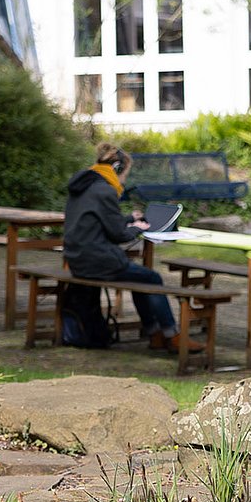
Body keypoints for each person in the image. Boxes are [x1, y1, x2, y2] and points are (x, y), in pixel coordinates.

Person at [61, 143, 198, 353]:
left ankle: (154, 333)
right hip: (96, 261)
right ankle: (172, 336)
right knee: (152, 278)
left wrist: (128, 219)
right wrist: (137, 228)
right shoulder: (105, 190)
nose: (124, 180)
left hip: (76, 258)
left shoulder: (85, 184)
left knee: (139, 277)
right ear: (116, 168)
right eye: (125, 174)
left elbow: (98, 220)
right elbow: (119, 235)